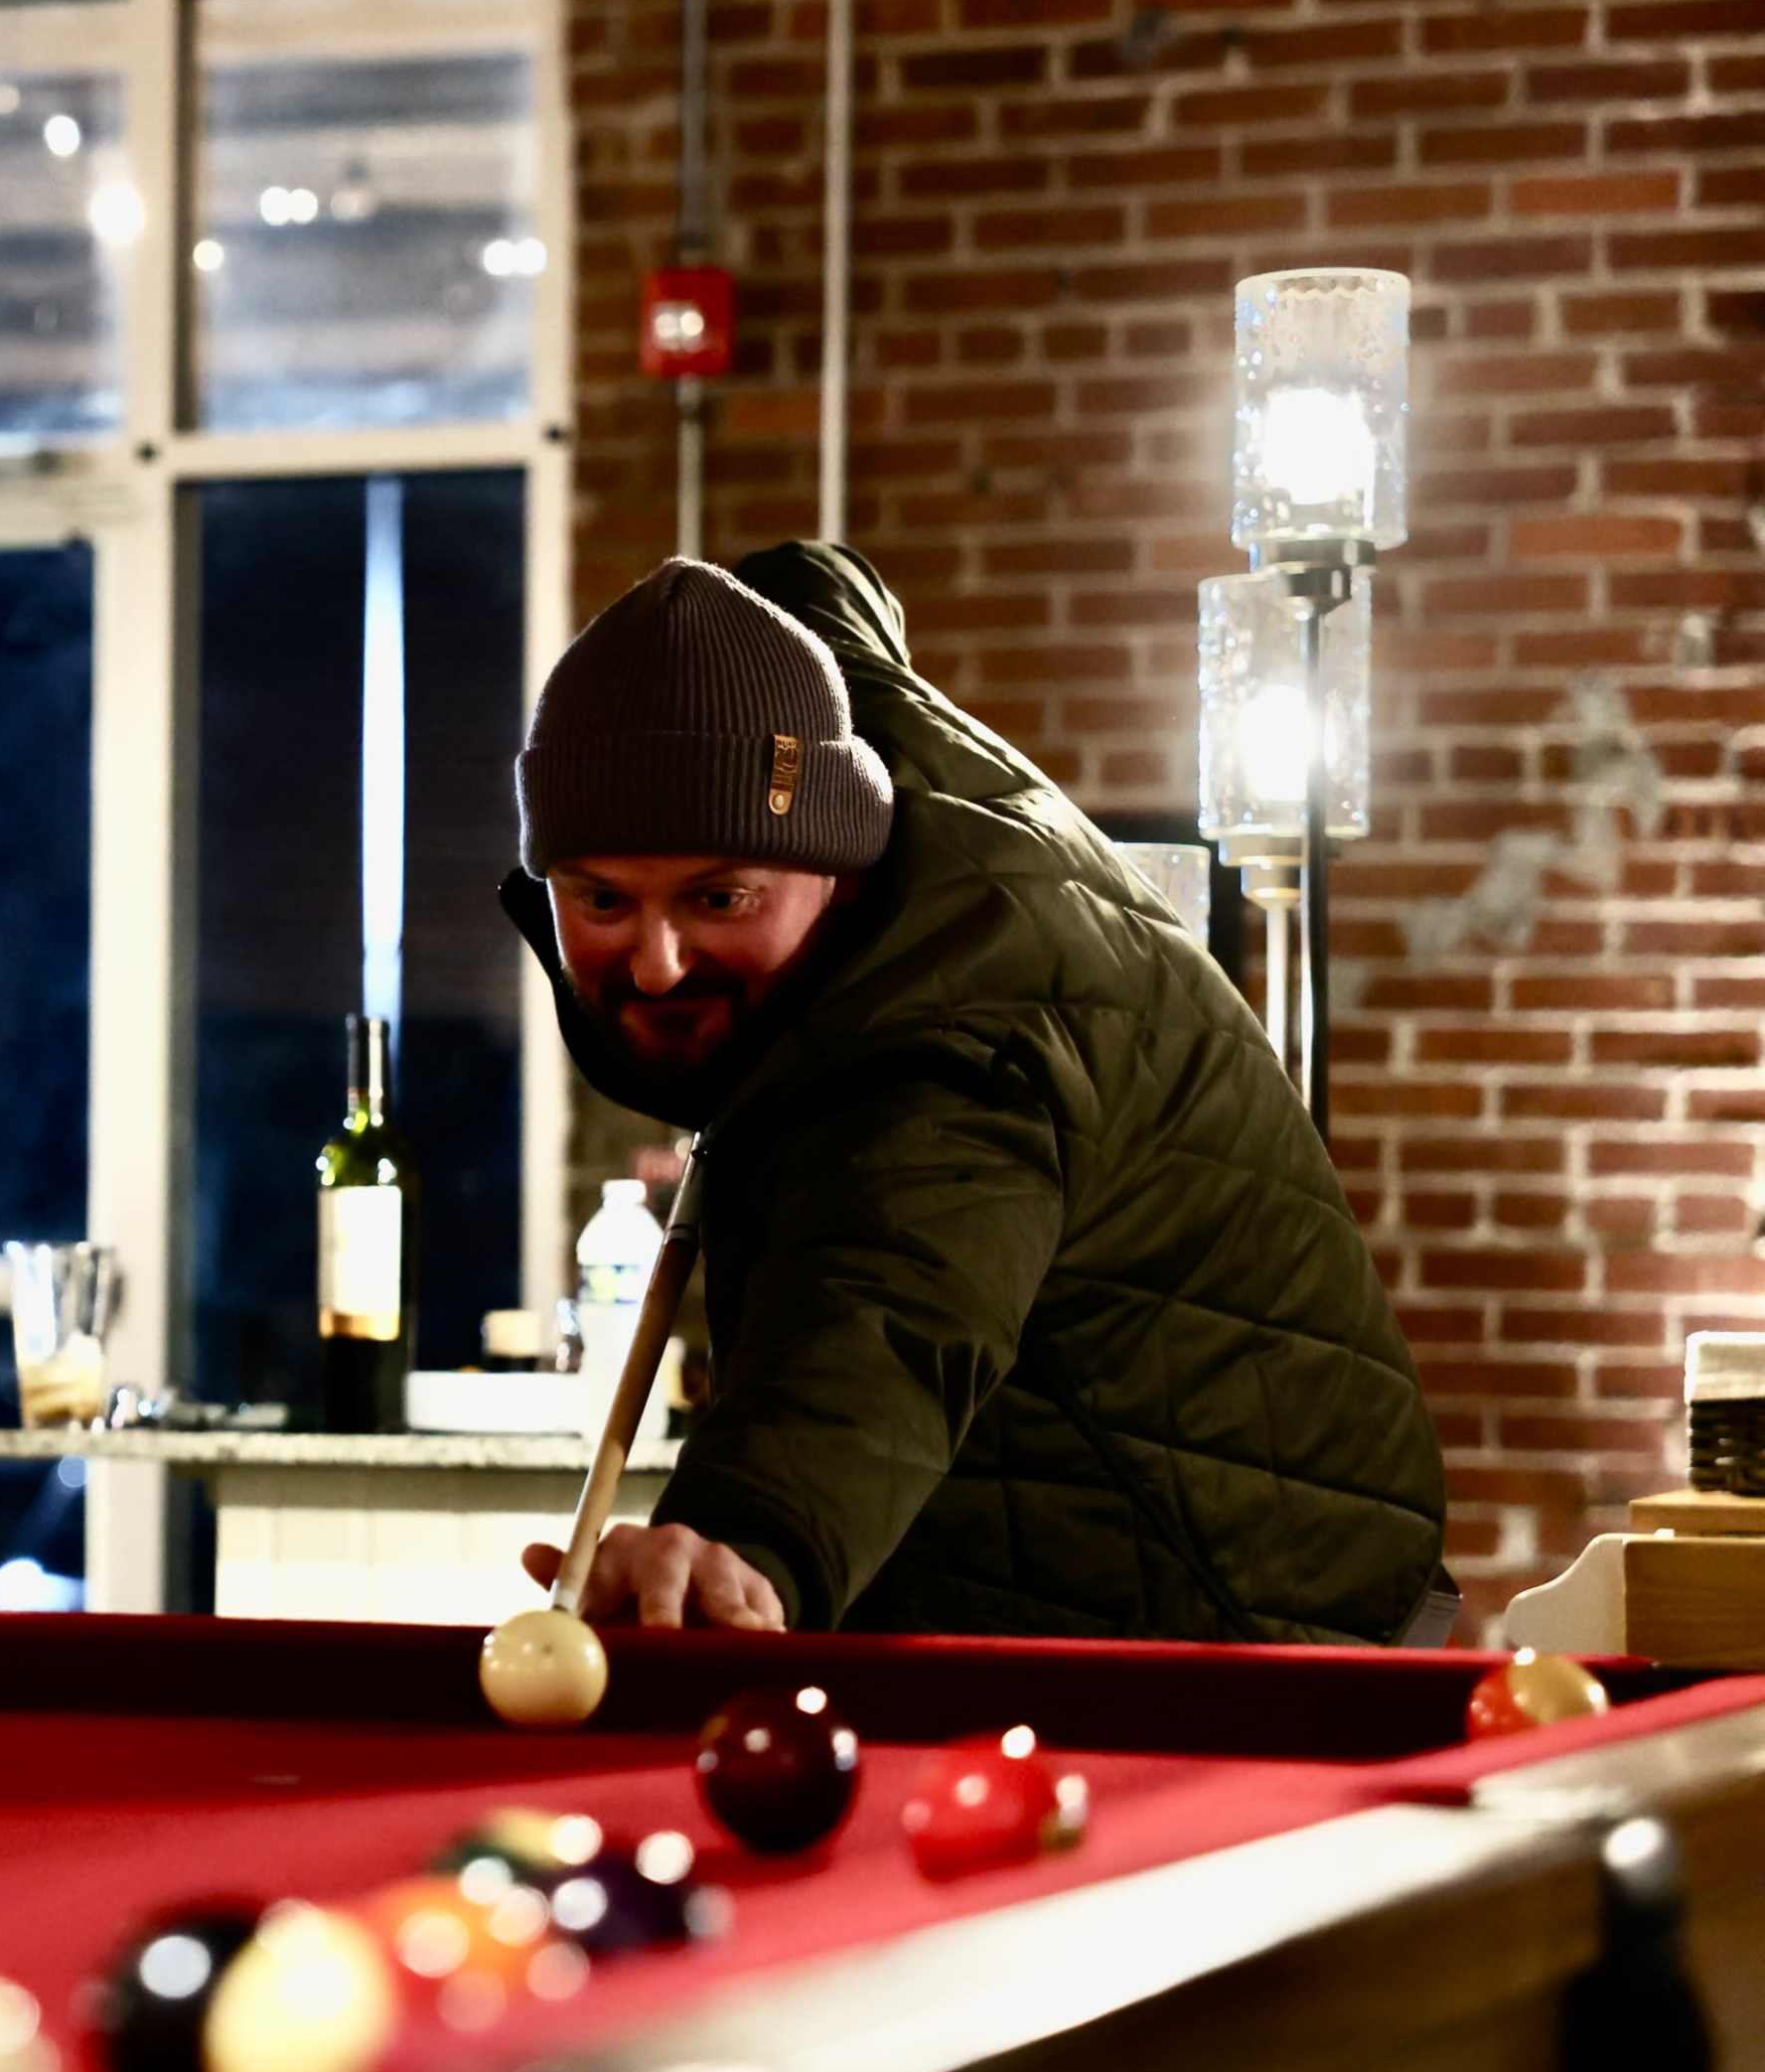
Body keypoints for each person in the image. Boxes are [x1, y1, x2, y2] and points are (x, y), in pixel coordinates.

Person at [502, 541, 1452, 1643]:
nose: (658, 962)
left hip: (1254, 1657)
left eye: (720, 898)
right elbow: (824, 591)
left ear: (836, 864)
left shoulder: (948, 1018)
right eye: (603, 901)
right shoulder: (875, 767)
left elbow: (886, 1310)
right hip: (1105, 1610)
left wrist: (743, 1539)